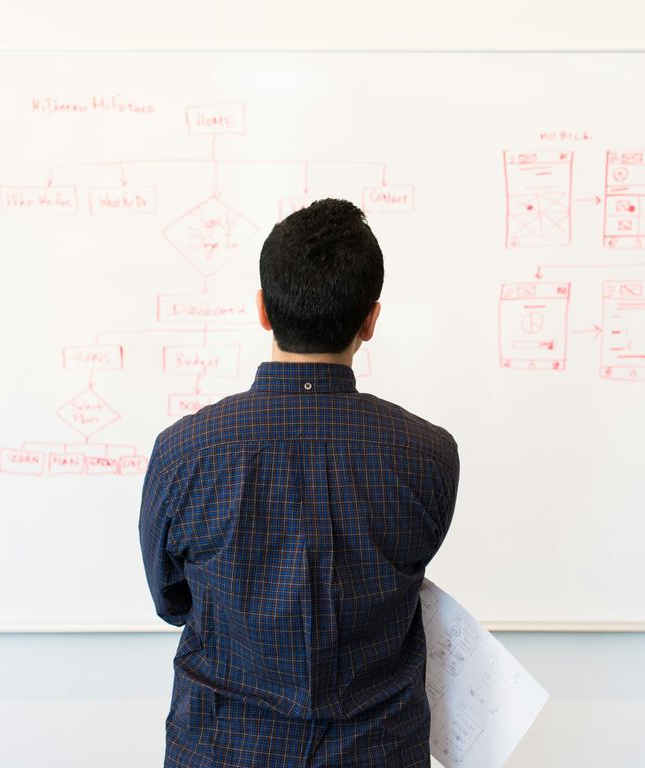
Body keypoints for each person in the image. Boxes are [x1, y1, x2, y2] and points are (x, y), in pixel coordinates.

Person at [139, 198, 460, 767]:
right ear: (370, 321)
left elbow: (172, 601)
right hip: (376, 751)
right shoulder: (428, 455)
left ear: (263, 309)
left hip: (222, 748)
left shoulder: (184, 452)